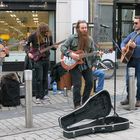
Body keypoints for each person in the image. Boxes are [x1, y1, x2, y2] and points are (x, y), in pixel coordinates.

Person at [61, 20, 97, 109]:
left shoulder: (90, 39)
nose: (84, 29)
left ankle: (85, 103)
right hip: (74, 64)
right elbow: (63, 47)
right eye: (82, 28)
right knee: (78, 84)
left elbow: (93, 52)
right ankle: (77, 104)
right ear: (78, 29)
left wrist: (95, 64)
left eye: (85, 28)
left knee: (89, 83)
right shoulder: (72, 38)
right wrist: (71, 54)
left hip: (86, 64)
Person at [25, 22, 55, 104]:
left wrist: (54, 47)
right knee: (39, 78)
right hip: (38, 59)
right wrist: (29, 53)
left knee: (45, 77)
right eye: (44, 32)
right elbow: (26, 45)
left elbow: (52, 46)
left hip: (46, 59)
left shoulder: (49, 36)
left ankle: (44, 94)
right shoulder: (33, 35)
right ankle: (38, 96)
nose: (46, 33)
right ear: (41, 31)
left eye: (47, 31)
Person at [120, 16, 140, 107]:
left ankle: (139, 99)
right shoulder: (132, 34)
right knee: (128, 80)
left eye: (136, 23)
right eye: (134, 23)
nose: (134, 24)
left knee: (139, 82)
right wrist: (123, 47)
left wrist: (136, 47)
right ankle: (129, 98)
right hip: (130, 60)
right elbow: (123, 42)